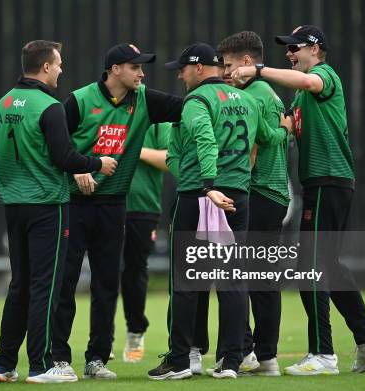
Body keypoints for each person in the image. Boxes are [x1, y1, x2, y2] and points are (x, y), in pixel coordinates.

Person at [232, 25, 365, 375]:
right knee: (327, 265)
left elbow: (308, 83)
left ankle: (323, 354)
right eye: (286, 48)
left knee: (310, 267)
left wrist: (256, 70)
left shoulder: (323, 75)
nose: (289, 53)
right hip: (324, 184)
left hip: (328, 182)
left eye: (295, 47)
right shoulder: (299, 97)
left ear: (315, 49)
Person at [148, 42, 290, 381]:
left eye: (182, 69)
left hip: (201, 196)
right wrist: (285, 127)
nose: (180, 75)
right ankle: (230, 361)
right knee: (232, 280)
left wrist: (208, 185)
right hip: (239, 197)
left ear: (198, 68)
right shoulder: (249, 100)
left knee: (185, 280)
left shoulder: (196, 101)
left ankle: (181, 359)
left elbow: (205, 142)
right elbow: (268, 138)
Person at [52, 43, 183, 379]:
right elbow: (52, 144)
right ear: (114, 70)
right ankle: (58, 359)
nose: (142, 73)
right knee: (65, 282)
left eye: (142, 68)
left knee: (107, 283)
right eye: (135, 67)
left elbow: (188, 107)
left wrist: (223, 89)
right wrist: (76, 168)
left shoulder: (145, 100)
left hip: (114, 205)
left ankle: (96, 359)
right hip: (74, 204)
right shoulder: (80, 100)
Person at [0, 40, 117, 384]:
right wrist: (97, 163)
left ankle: (3, 363)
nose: (62, 69)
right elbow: (65, 158)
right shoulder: (49, 106)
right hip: (47, 206)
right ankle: (42, 365)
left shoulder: (1, 105)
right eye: (58, 64)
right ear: (45, 67)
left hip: (14, 206)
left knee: (21, 285)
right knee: (45, 286)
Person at [209, 30, 290, 376]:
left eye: (228, 66)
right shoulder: (268, 93)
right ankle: (266, 356)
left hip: (255, 191)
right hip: (275, 194)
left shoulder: (250, 96)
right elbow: (275, 137)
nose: (225, 74)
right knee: (262, 279)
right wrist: (286, 129)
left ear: (246, 62)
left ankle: (242, 352)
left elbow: (255, 149)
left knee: (235, 276)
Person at [120, 122, 172, 363]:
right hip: (107, 204)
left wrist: (134, 149)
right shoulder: (103, 111)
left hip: (143, 208)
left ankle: (135, 332)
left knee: (134, 271)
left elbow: (169, 158)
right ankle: (100, 343)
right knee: (104, 275)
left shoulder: (156, 120)